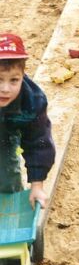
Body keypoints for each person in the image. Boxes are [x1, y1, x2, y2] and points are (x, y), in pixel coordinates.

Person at [0, 33, 55, 208]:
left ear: (23, 76)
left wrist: (37, 185)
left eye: (14, 80)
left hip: (6, 136)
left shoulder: (33, 102)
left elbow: (38, 142)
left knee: (6, 174)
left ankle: (9, 209)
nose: (5, 89)